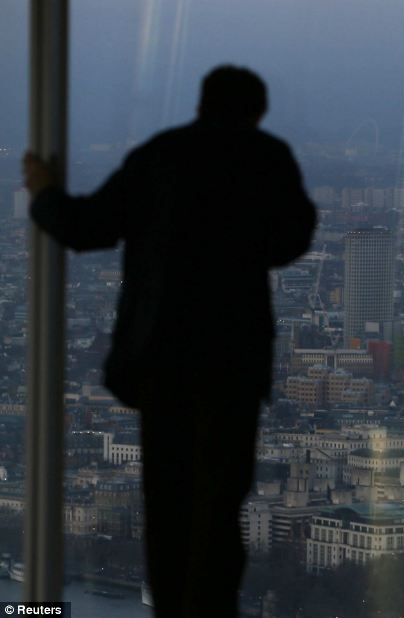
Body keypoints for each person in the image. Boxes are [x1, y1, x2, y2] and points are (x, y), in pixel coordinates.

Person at [22, 65, 317, 617]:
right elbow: (293, 237)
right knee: (221, 504)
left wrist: (41, 193)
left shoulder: (159, 156)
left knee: (169, 503)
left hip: (163, 360)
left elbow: (87, 228)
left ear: (201, 103)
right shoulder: (266, 158)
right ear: (256, 111)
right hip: (232, 362)